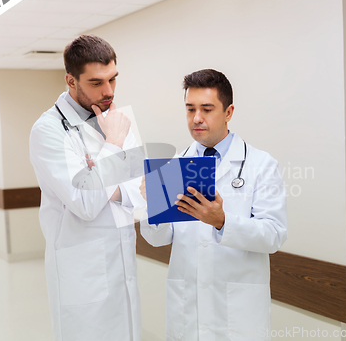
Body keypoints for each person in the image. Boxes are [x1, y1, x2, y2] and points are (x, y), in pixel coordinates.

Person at [140, 69, 288, 340]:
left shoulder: (261, 165)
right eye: (190, 109)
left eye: (207, 109)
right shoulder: (173, 166)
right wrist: (154, 207)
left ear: (228, 112)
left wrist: (222, 221)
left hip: (238, 317)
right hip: (188, 314)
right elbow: (158, 239)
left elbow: (274, 235)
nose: (196, 118)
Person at [29, 35, 145, 341]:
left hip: (122, 265)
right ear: (71, 80)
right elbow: (85, 204)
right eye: (96, 83)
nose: (108, 92)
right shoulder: (48, 131)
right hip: (82, 275)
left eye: (113, 79)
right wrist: (114, 145)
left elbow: (142, 194)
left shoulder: (117, 120)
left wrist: (114, 190)